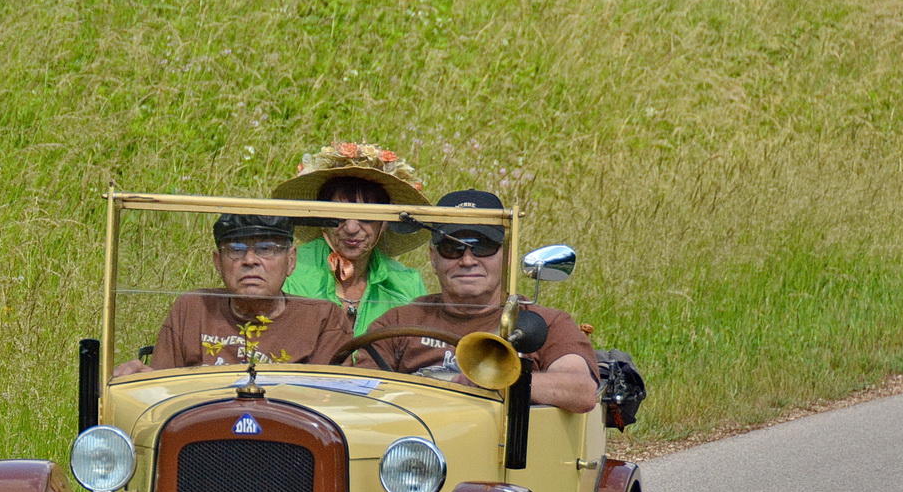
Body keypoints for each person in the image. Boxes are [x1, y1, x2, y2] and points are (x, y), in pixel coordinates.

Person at [363, 190, 599, 413]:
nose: (467, 261)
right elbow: (359, 393)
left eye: (482, 247)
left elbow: (581, 389)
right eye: (452, 248)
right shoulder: (397, 322)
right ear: (433, 258)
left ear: (506, 257)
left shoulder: (543, 323)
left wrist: (498, 381)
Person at [114, 215, 350, 376]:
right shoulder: (193, 308)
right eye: (236, 250)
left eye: (266, 249)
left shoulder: (323, 318)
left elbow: (330, 404)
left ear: (291, 261)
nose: (250, 260)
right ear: (218, 262)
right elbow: (161, 392)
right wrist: (138, 381)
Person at [271, 142, 429, 336]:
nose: (352, 228)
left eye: (367, 217)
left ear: (384, 223)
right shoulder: (287, 270)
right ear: (321, 219)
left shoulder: (407, 284)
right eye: (339, 215)